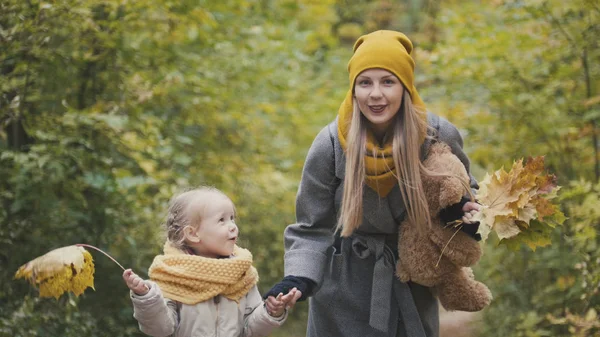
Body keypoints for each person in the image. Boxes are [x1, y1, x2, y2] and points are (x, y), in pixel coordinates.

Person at [264, 30, 481, 337]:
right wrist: (299, 278)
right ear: (353, 89)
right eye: (365, 82)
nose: (375, 94)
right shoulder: (331, 144)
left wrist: (464, 217)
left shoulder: (435, 136)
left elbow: (466, 192)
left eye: (387, 82)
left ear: (405, 87)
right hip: (342, 288)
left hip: (410, 280)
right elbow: (311, 226)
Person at [123, 186, 301, 337]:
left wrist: (271, 312)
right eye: (221, 220)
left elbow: (251, 329)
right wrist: (145, 297)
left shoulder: (241, 273)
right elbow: (160, 329)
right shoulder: (173, 274)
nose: (232, 226)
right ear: (193, 233)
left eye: (232, 218)